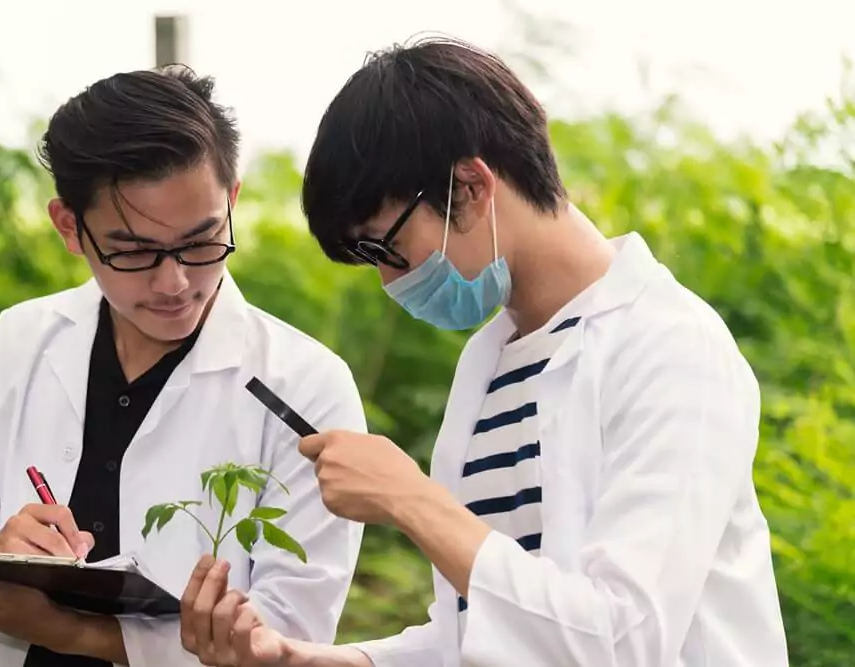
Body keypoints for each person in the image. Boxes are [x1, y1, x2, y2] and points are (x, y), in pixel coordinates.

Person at [181, 37, 790, 667]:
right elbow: (475, 635)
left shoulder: (668, 348)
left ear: (470, 186)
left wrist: (412, 501)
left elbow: (623, 641)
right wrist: (299, 660)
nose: (391, 282)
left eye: (384, 248)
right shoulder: (490, 361)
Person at [0, 65, 366, 667]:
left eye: (201, 242)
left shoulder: (305, 385)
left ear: (232, 199)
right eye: (133, 252)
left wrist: (69, 632)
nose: (174, 282)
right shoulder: (23, 340)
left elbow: (291, 631)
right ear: (70, 227)